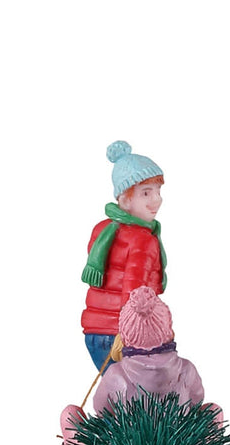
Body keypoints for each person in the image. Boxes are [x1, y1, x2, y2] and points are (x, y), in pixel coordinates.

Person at [61, 287, 222, 445]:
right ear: (169, 329)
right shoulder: (187, 369)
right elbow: (196, 401)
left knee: (70, 414)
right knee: (213, 410)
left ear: (123, 336)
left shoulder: (115, 374)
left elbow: (101, 410)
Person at [80, 141, 167, 372]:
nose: (156, 199)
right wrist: (128, 332)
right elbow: (134, 291)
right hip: (124, 334)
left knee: (115, 389)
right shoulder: (143, 239)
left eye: (158, 191)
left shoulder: (102, 230)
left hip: (94, 332)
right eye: (146, 193)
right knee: (137, 392)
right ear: (125, 199)